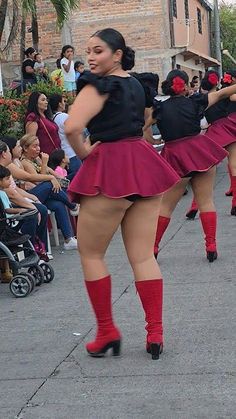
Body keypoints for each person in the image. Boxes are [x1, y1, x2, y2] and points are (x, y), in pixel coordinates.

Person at [64, 28, 180, 360]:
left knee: (91, 254)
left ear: (117, 54)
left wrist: (86, 154)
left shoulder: (98, 85)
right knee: (143, 257)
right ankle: (155, 333)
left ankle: (106, 332)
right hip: (142, 164)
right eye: (88, 51)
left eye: (98, 50)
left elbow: (71, 127)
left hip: (110, 169)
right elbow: (145, 123)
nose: (91, 56)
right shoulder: (138, 85)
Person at [147, 69, 236, 262]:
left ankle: (153, 247)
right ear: (186, 86)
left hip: (175, 156)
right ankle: (211, 245)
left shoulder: (159, 109)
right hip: (200, 151)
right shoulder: (196, 101)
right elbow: (223, 93)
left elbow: (141, 127)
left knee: (167, 206)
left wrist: (152, 142)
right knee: (206, 201)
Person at [48, 94, 82, 179]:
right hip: (72, 153)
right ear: (59, 104)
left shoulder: (52, 118)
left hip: (64, 153)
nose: (64, 103)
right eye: (63, 101)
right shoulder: (64, 116)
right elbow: (75, 129)